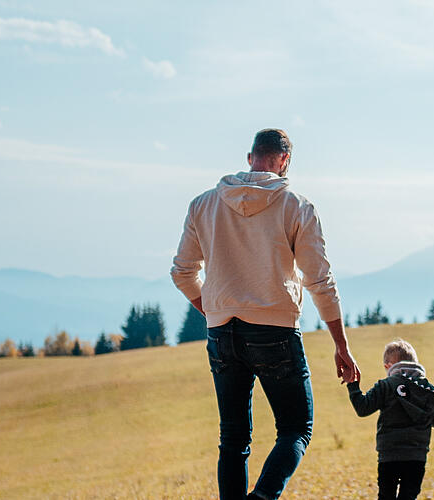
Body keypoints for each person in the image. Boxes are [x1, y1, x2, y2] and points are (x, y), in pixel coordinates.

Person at [171, 128, 361, 500]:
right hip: (275, 331)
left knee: (233, 438)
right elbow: (319, 281)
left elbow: (182, 272)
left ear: (250, 158)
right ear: (284, 160)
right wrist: (341, 346)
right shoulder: (297, 206)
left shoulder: (203, 205)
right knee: (296, 429)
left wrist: (213, 309)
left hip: (222, 332)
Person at [346, 339, 434, 500]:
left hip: (389, 455)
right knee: (408, 496)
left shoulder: (386, 385)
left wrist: (353, 385)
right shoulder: (430, 391)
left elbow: (363, 408)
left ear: (388, 366)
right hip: (416, 456)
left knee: (386, 495)